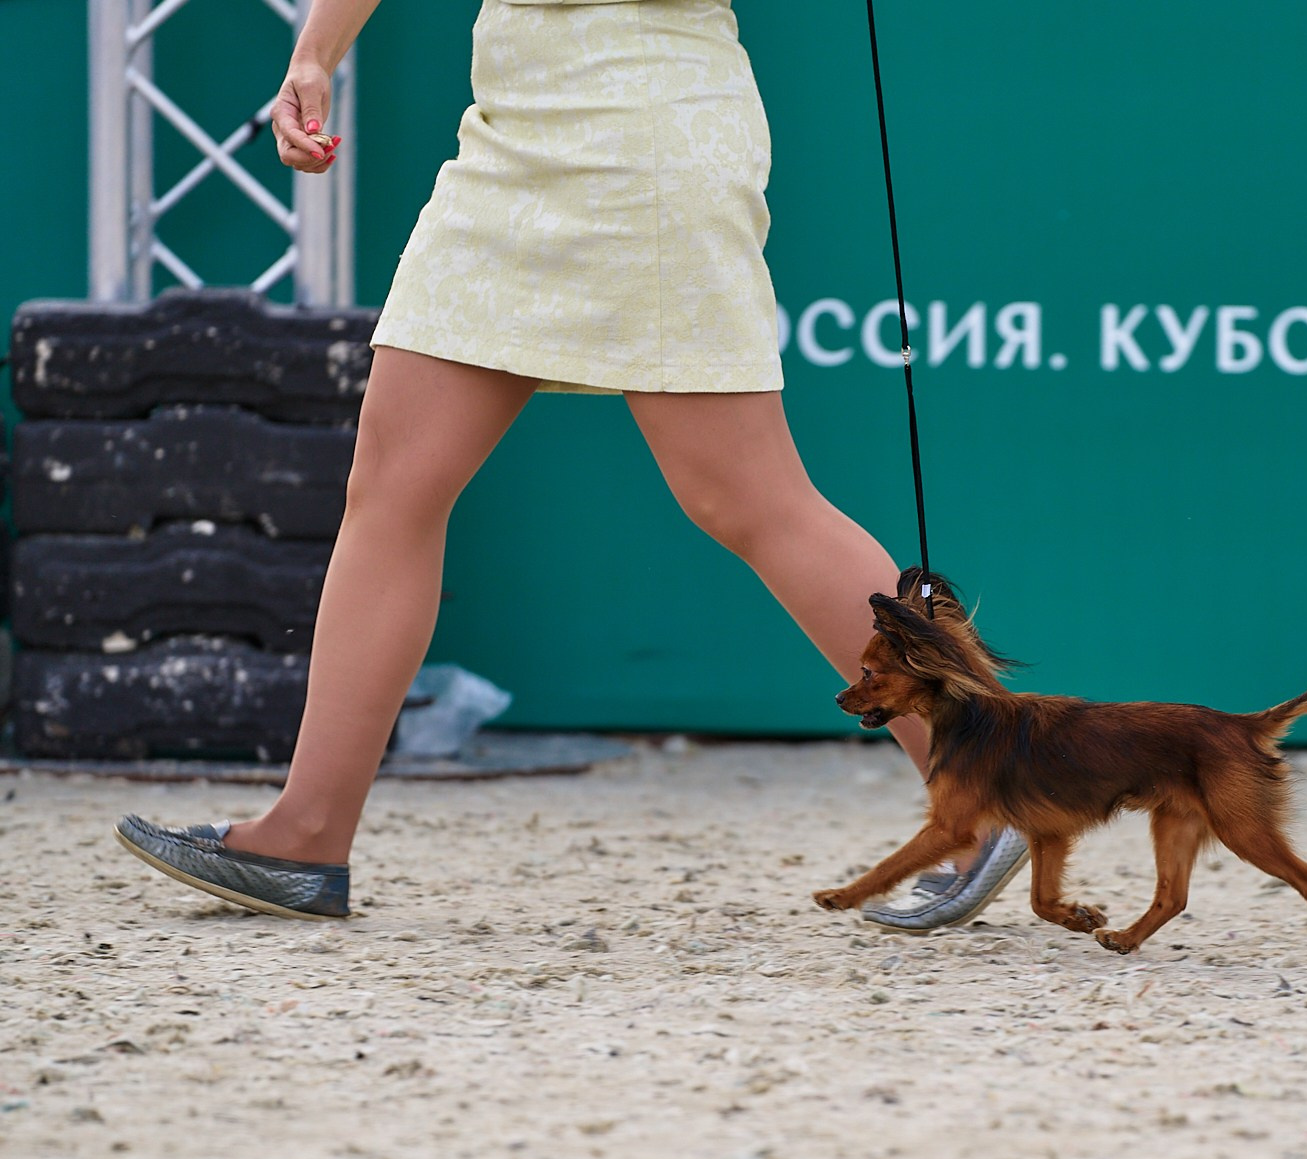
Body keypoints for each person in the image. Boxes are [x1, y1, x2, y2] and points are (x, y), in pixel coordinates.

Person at [114, 0, 1024, 933]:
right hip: (513, 128)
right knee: (391, 484)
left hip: (652, 123)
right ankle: (305, 833)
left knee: (750, 496)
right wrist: (315, 54)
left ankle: (984, 785)